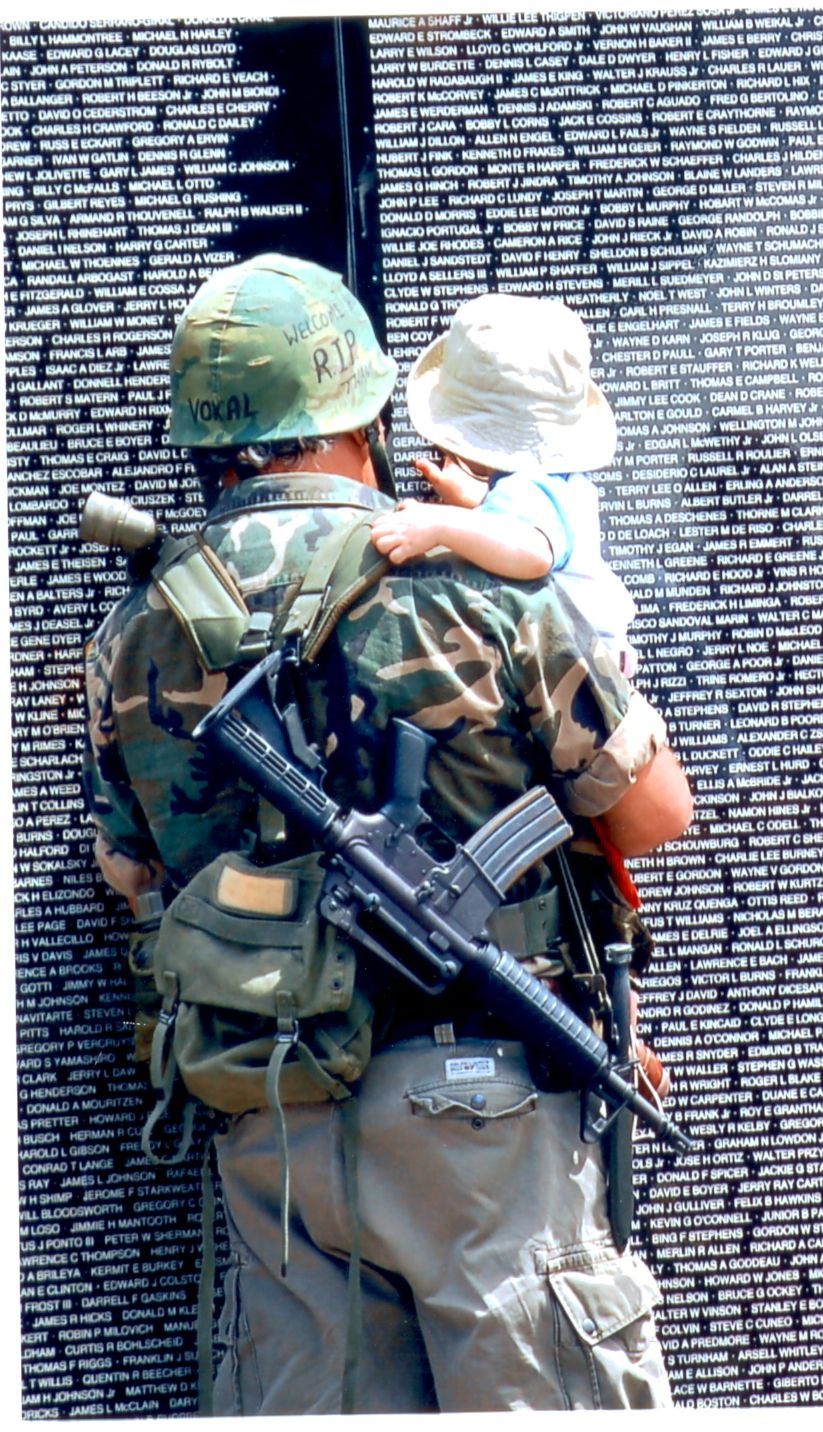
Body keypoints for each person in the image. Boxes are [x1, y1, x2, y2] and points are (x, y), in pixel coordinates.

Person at [83, 253, 693, 1414]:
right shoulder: (468, 575)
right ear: (362, 409)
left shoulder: (139, 628)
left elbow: (134, 867)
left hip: (271, 1111)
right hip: (480, 1108)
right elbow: (653, 810)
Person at [371, 291, 639, 674]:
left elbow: (534, 552)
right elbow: (526, 525)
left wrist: (440, 524)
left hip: (579, 673)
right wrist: (479, 506)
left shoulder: (528, 488)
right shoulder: (548, 481)